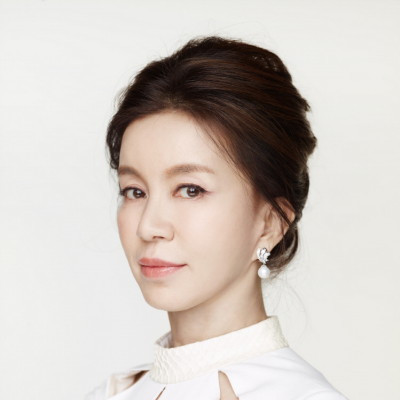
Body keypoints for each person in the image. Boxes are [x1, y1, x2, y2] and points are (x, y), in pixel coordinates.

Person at [85, 35, 348, 400]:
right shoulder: (113, 393)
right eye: (135, 191)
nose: (148, 226)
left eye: (191, 190)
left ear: (271, 222)